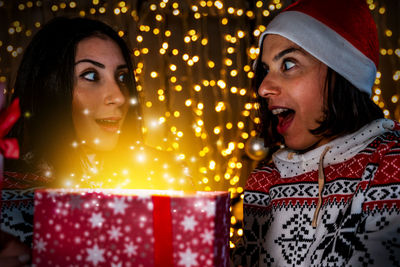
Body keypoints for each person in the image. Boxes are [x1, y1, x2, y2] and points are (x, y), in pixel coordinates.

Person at [1, 17, 191, 266]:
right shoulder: (8, 193)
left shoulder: (167, 178)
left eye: (121, 77)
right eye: (90, 75)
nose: (118, 98)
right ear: (49, 87)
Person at [232, 0, 400, 266]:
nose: (263, 88)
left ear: (342, 73)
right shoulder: (264, 182)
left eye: (288, 64)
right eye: (265, 70)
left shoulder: (391, 165)